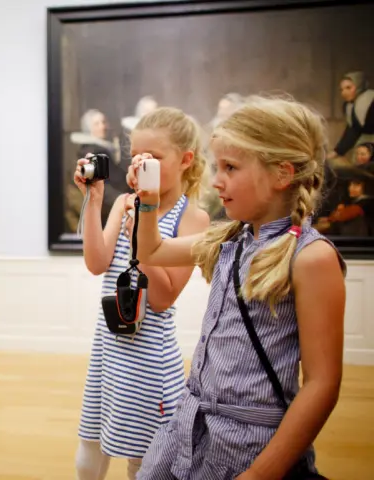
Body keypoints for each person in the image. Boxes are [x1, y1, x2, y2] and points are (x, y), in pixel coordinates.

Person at [126, 95, 346, 479]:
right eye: (217, 167)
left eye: (230, 167)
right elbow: (152, 250)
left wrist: (260, 473)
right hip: (189, 427)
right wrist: (147, 204)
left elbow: (322, 385)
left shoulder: (311, 258)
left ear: (282, 174)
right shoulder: (229, 238)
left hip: (247, 446)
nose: (216, 181)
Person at [73, 106, 211, 480]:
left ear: (185, 160)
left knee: (142, 462)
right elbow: (97, 263)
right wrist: (94, 199)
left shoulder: (193, 218)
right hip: (109, 349)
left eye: (153, 158)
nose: (140, 165)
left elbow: (163, 298)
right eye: (136, 156)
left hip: (149, 362)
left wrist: (142, 228)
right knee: (89, 452)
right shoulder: (124, 203)